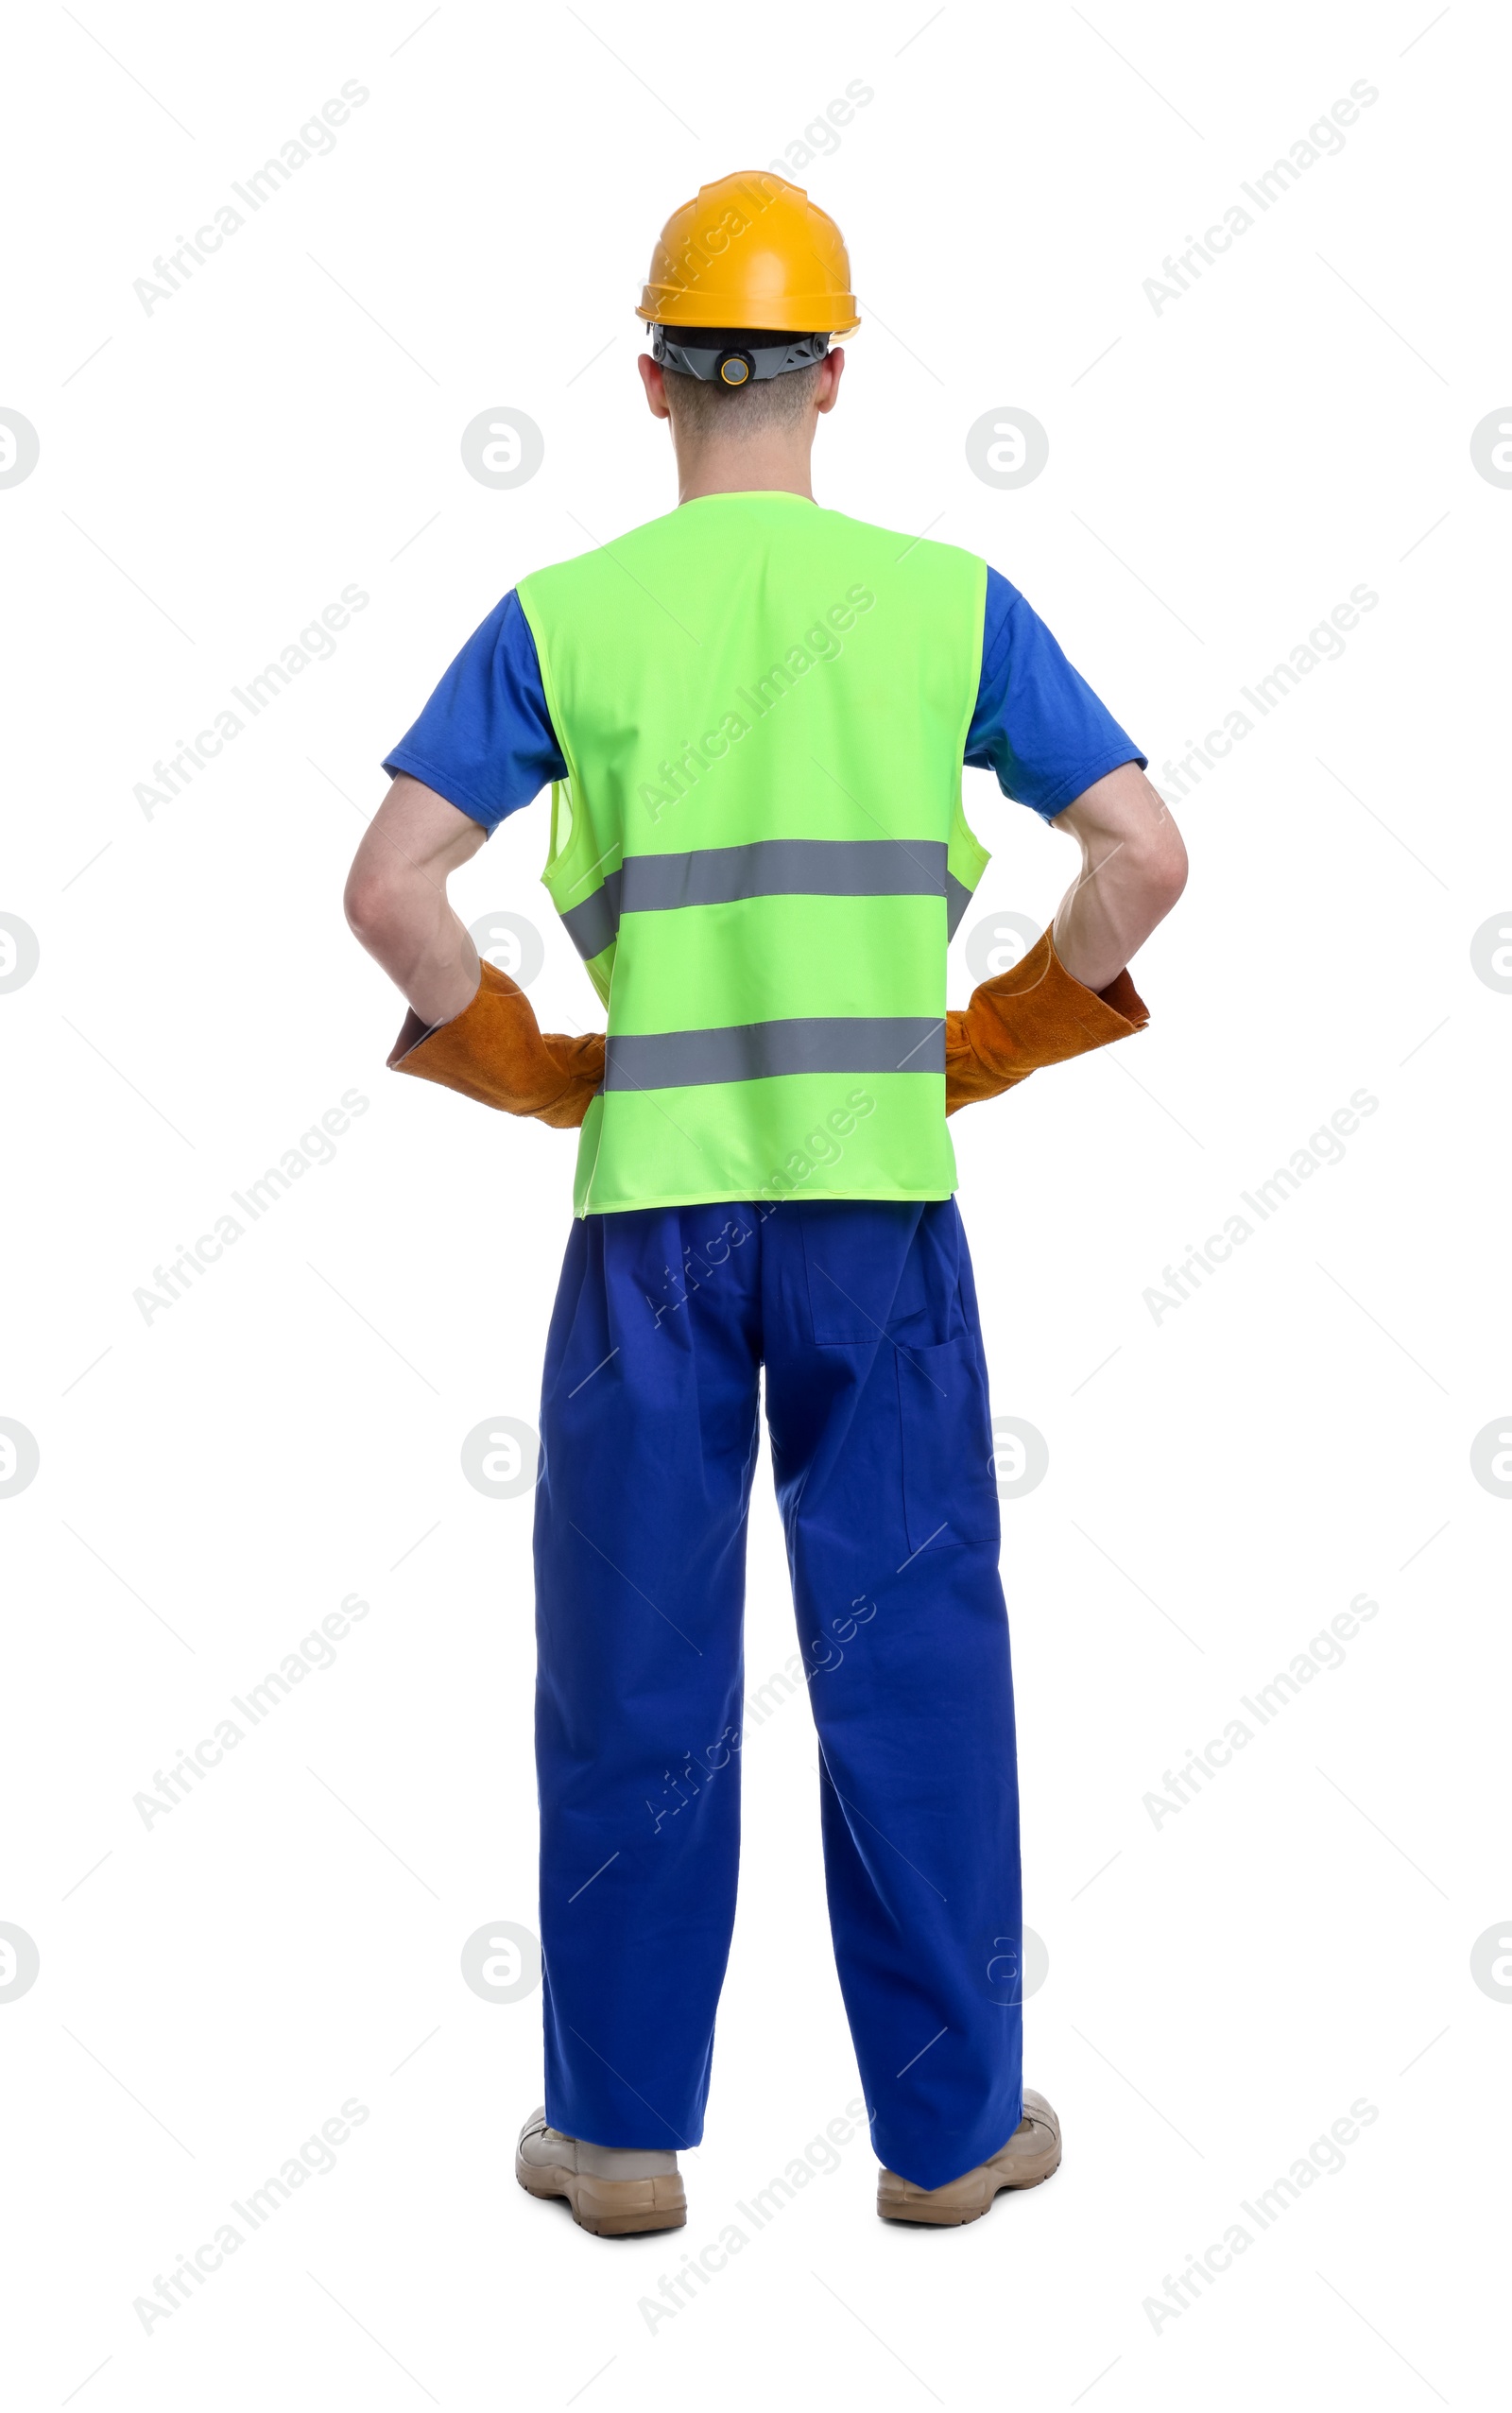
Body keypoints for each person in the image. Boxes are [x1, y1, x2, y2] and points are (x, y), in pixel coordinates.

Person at [344, 171, 1186, 2237]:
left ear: (649, 380)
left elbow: (384, 890)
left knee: (632, 1666)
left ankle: (618, 2137)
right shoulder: (943, 601)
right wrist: (1005, 1023)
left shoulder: (563, 617)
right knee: (912, 1659)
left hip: (650, 1219)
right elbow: (1147, 854)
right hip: (874, 1214)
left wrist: (518, 1055)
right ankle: (949, 2132)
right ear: (835, 375)